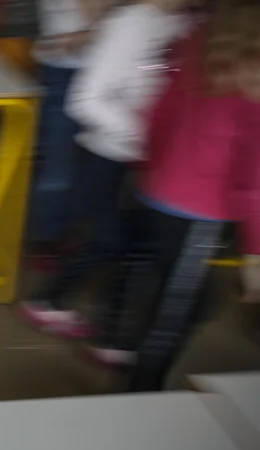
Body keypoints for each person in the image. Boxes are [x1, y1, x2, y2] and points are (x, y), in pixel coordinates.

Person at [86, 0, 260, 391]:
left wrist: (153, 165)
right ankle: (143, 391)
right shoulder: (252, 74)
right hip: (198, 207)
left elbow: (157, 111)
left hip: (157, 187)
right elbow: (252, 182)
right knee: (176, 310)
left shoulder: (197, 41)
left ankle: (122, 344)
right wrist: (254, 252)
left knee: (173, 285)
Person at [17, 0, 193, 337]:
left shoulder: (186, 21)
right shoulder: (132, 23)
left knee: (134, 245)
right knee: (111, 241)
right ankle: (51, 302)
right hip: (113, 153)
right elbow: (86, 100)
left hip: (156, 158)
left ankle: (110, 332)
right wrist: (147, 136)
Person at [26, 0, 112, 263]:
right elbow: (69, 40)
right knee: (59, 163)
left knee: (84, 158)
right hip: (66, 71)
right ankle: (47, 239)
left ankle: (62, 232)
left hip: (95, 69)